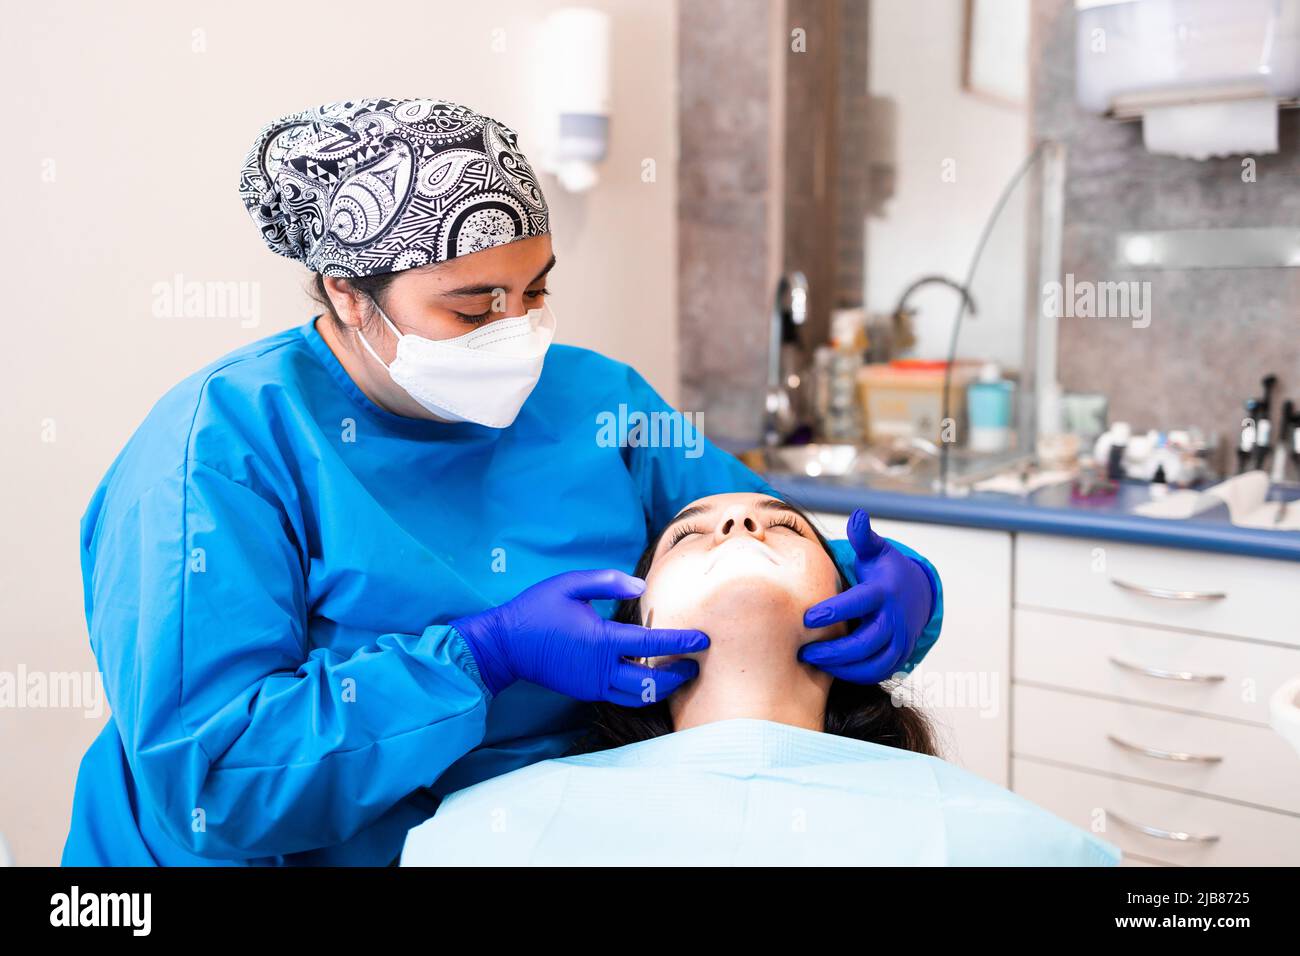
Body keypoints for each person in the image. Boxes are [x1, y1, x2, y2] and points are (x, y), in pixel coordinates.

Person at [63, 98, 944, 866]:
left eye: (536, 290)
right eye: (473, 305)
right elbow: (214, 783)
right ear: (347, 295)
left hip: (538, 837)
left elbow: (750, 539)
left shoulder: (598, 400)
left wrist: (896, 591)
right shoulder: (216, 456)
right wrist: (482, 658)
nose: (517, 330)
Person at [401, 494, 1121, 867]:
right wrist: (490, 649)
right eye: (686, 535)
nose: (742, 520)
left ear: (846, 620)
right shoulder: (476, 837)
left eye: (786, 528)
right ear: (635, 633)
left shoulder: (1019, 844)